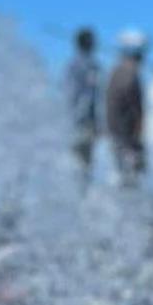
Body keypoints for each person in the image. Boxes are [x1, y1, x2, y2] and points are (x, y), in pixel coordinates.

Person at [105, 29, 148, 188]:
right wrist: (137, 124)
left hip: (121, 132)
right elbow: (129, 102)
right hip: (125, 134)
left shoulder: (117, 71)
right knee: (129, 172)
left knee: (127, 170)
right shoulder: (128, 73)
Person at [64, 26, 100, 187]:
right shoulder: (87, 66)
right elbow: (85, 97)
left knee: (81, 164)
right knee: (83, 163)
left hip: (77, 122)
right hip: (82, 123)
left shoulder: (74, 65)